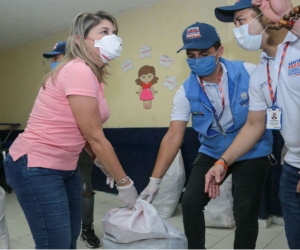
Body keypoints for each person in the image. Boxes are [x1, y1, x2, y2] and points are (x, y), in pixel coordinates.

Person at [3, 10, 138, 249]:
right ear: (79, 40)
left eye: (115, 32)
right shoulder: (78, 70)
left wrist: (101, 163)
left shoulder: (93, 75)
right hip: (36, 165)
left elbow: (80, 128)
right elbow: (95, 136)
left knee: (69, 238)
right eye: (104, 32)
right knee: (55, 243)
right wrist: (124, 182)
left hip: (65, 166)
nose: (113, 38)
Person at [139, 22, 273, 249]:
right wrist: (154, 182)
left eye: (204, 54)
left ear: (219, 51)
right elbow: (173, 136)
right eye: (191, 55)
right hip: (212, 150)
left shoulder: (249, 72)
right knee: (190, 203)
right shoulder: (185, 91)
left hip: (251, 150)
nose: (197, 59)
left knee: (245, 210)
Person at [208, 0, 300, 248]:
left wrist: (288, 16)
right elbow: (253, 126)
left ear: (265, 15)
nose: (237, 29)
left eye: (240, 20)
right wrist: (222, 161)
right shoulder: (260, 74)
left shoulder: (297, 45)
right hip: (292, 168)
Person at [43, 42, 101, 248]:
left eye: (56, 58)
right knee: (57, 192)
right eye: (52, 59)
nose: (53, 62)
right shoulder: (51, 83)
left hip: (79, 146)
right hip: (53, 149)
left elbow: (89, 120)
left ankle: (87, 229)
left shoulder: (82, 80)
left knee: (85, 188)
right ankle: (64, 230)